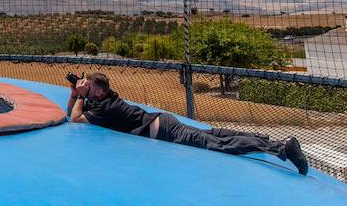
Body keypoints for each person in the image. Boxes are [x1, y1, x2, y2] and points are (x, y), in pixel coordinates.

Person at [67, 72, 309, 175]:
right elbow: (71, 112)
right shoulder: (103, 100)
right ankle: (261, 139)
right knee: (214, 133)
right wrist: (74, 89)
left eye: (87, 87)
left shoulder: (106, 107)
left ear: (96, 91)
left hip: (166, 131)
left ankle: (281, 148)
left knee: (216, 143)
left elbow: (75, 119)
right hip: (164, 123)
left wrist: (79, 95)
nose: (83, 90)